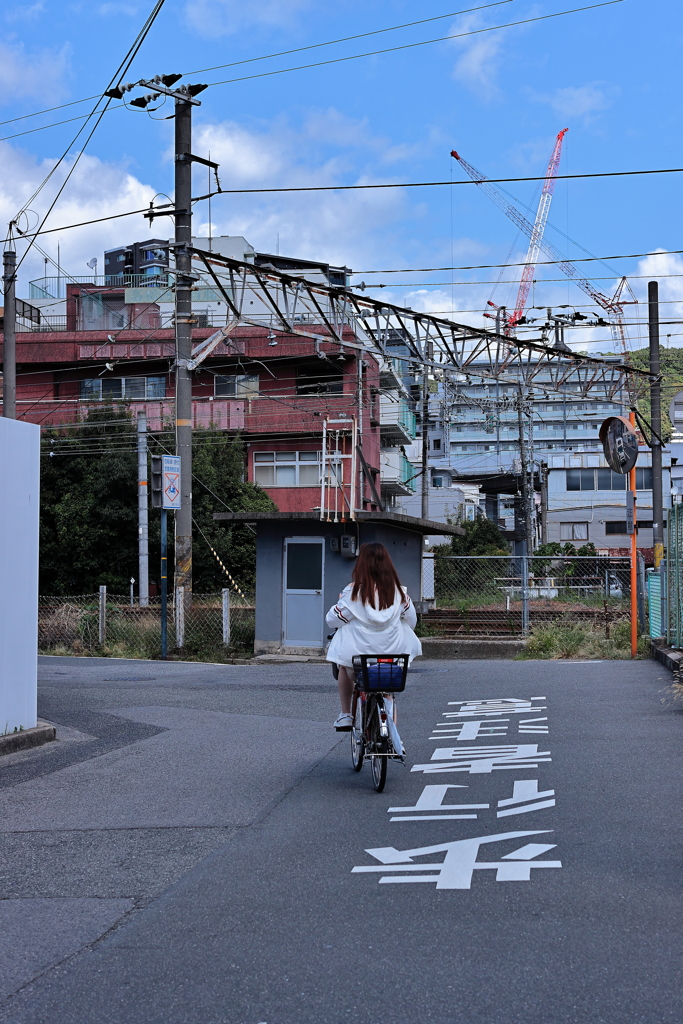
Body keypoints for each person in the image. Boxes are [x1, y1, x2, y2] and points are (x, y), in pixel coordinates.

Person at [325, 542, 421, 731]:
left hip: (358, 658)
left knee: (343, 665)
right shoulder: (400, 594)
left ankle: (346, 714)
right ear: (387, 564)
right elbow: (411, 622)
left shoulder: (353, 594)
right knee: (387, 691)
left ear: (361, 565)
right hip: (393, 657)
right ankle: (391, 733)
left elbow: (332, 621)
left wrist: (340, 601)